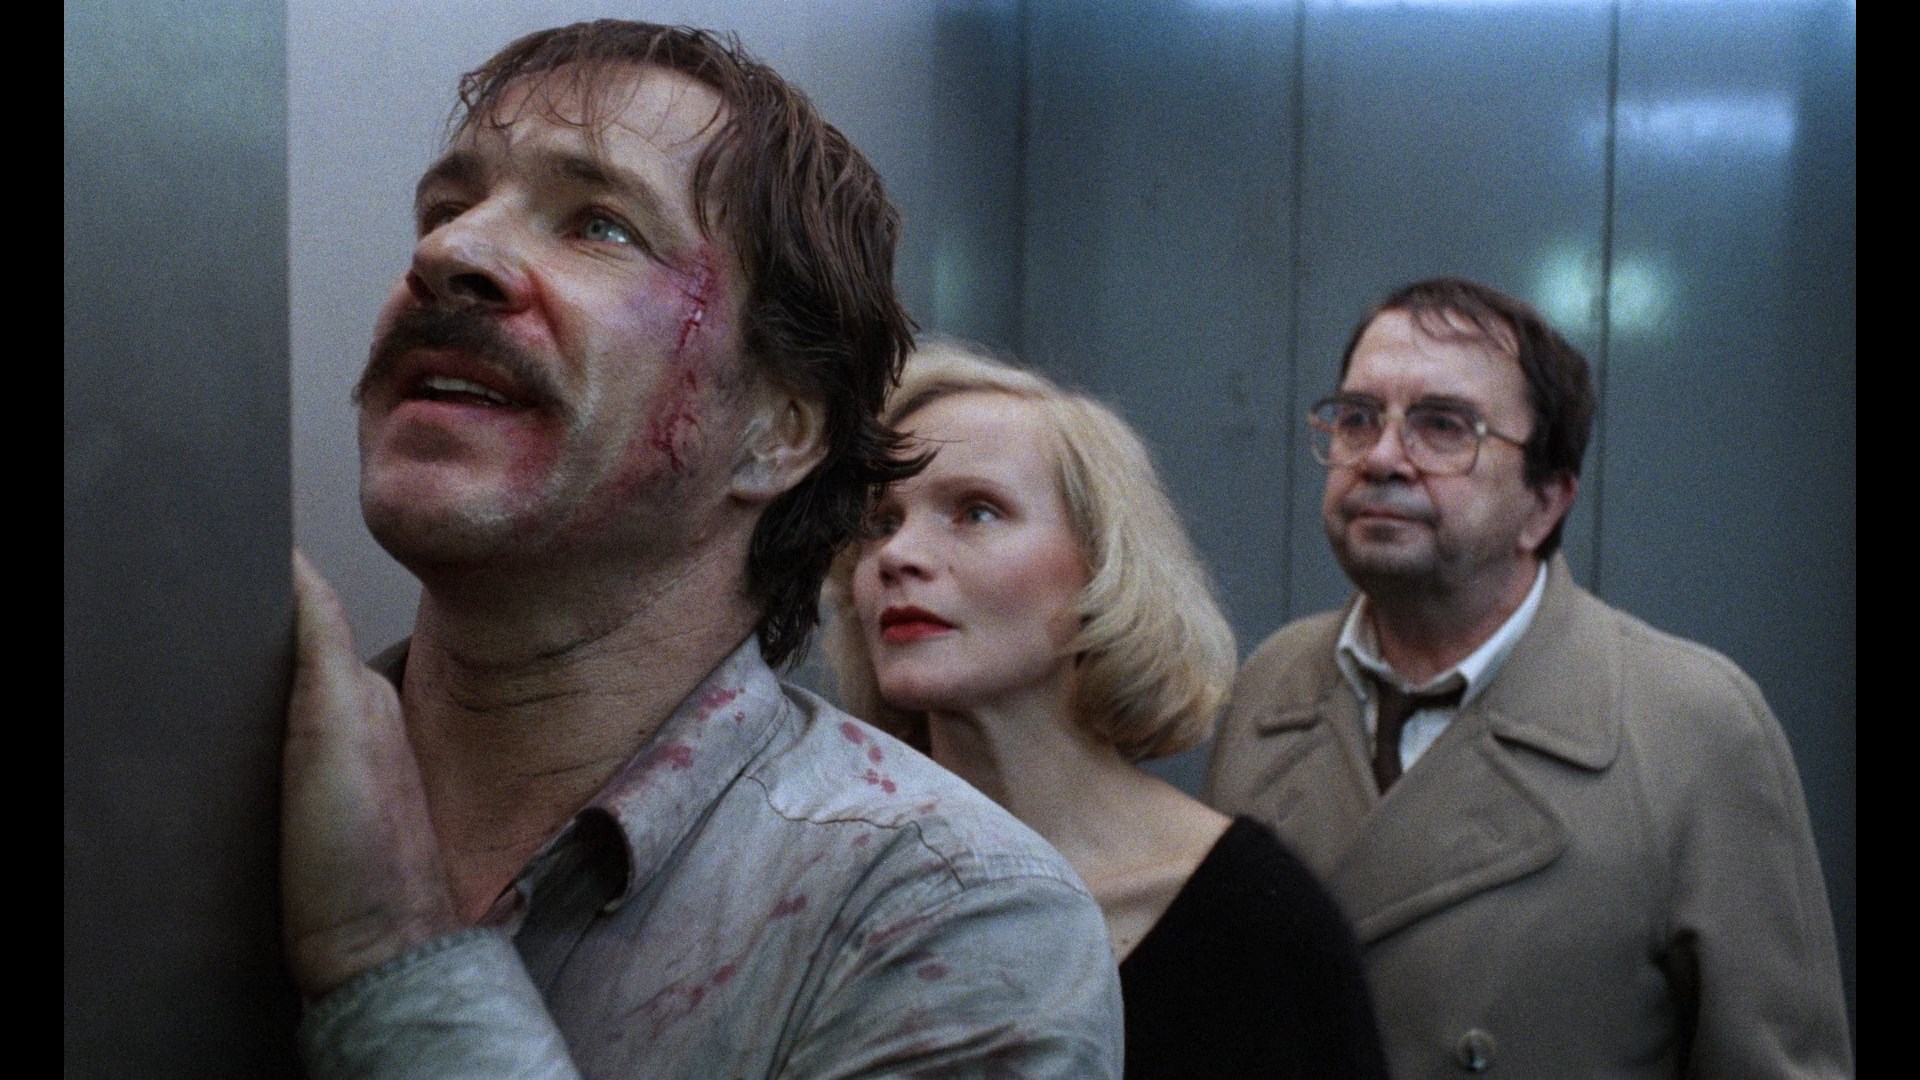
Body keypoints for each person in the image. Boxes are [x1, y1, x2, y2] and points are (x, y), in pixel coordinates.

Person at [281, 21, 1123, 1077]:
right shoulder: (207, 779)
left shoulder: (951, 919)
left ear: (777, 432)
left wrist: (392, 955)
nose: (448, 253)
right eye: (446, 210)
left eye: (599, 225)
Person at [1204, 276, 1852, 1077]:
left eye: (1443, 426)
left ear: (1545, 502)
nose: (1382, 458)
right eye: (1358, 417)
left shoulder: (1693, 727)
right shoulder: (1268, 686)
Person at [822, 340, 1389, 1079]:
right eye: (880, 521)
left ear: (1102, 569)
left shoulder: (1257, 920)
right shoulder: (818, 890)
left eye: (975, 511)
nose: (899, 555)